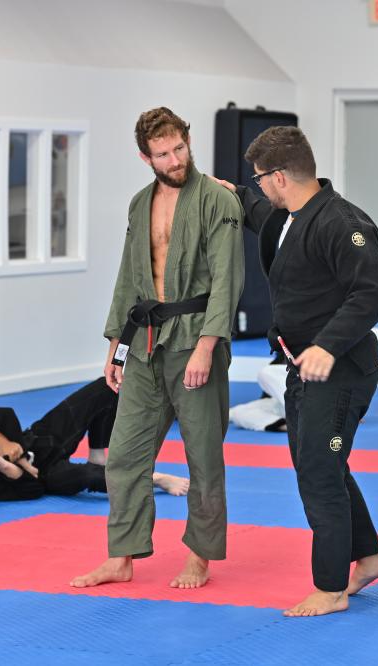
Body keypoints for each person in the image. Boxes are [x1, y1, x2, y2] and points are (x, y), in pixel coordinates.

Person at [211, 126, 378, 617]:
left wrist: (328, 347)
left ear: (280, 177)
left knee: (318, 471)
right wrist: (234, 193)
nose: (259, 186)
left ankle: (330, 588)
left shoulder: (343, 224)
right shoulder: (287, 216)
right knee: (321, 464)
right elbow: (258, 213)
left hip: (341, 368)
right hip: (301, 367)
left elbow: (372, 294)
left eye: (259, 178)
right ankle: (370, 558)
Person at [71, 107, 244, 590]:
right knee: (124, 454)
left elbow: (228, 280)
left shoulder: (218, 200)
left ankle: (200, 556)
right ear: (145, 157)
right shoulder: (139, 204)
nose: (175, 160)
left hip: (195, 337)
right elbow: (129, 275)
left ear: (188, 141)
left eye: (179, 148)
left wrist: (207, 347)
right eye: (163, 154)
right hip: (145, 342)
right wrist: (115, 345)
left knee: (202, 455)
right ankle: (121, 556)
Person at [0, 384, 189, 502]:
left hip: (37, 440)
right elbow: (33, 486)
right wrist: (3, 466)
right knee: (86, 477)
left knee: (104, 387)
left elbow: (5, 415)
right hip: (48, 476)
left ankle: (97, 453)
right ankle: (156, 479)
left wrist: (13, 451)